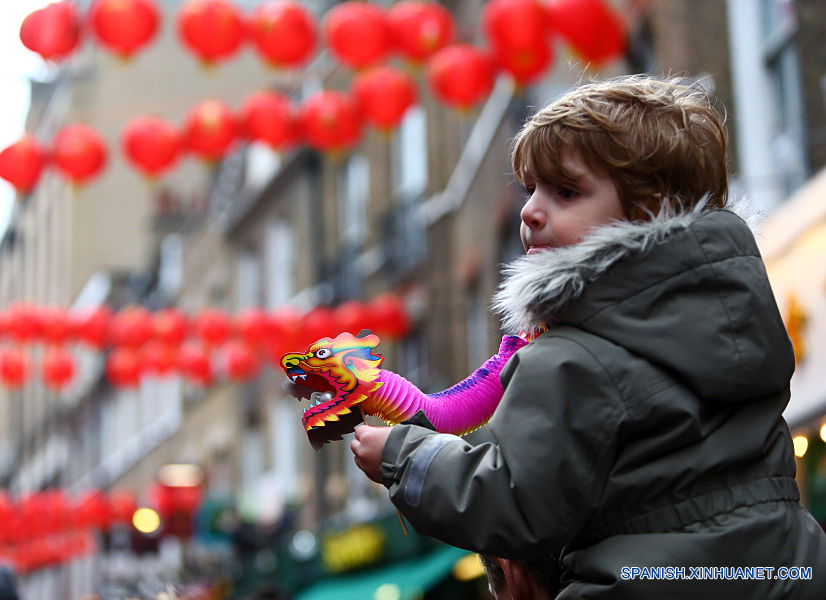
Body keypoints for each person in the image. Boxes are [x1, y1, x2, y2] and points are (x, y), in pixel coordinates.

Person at [351, 75, 826, 599]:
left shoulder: (573, 357)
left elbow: (515, 499)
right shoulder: (736, 319)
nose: (531, 209)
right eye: (531, 188)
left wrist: (403, 458)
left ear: (651, 209)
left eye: (566, 191)